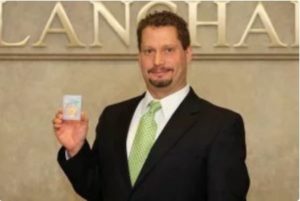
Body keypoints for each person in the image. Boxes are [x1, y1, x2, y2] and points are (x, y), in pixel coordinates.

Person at [53, 11, 250, 201]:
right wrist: (76, 150)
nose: (157, 61)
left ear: (188, 54)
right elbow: (99, 191)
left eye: (168, 50)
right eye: (149, 51)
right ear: (139, 57)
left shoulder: (220, 125)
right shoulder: (113, 117)